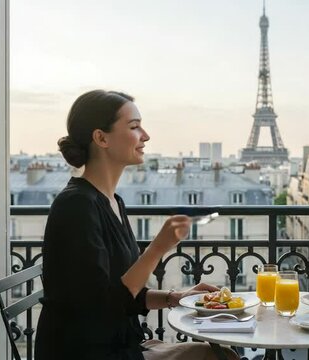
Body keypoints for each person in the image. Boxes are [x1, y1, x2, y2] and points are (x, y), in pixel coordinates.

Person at [35, 90, 239, 360]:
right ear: (101, 138)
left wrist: (175, 297)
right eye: (134, 126)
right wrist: (157, 248)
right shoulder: (76, 206)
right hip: (88, 352)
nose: (145, 135)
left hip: (117, 343)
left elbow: (120, 293)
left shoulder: (111, 202)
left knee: (224, 355)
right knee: (221, 357)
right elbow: (103, 305)